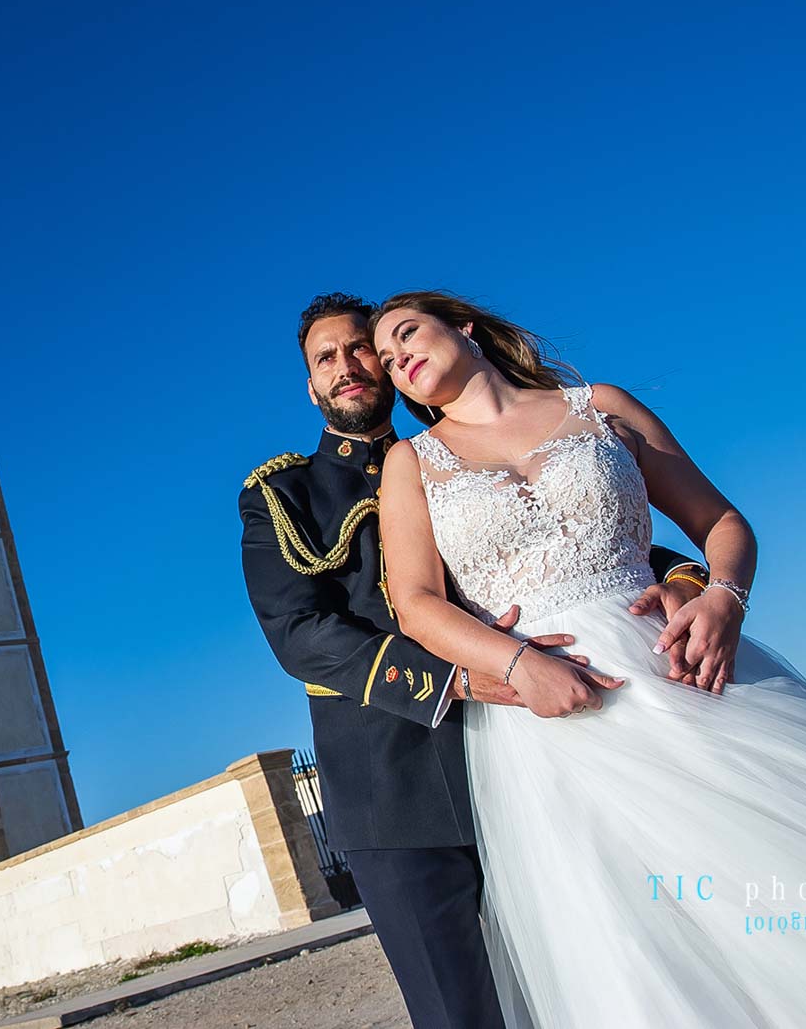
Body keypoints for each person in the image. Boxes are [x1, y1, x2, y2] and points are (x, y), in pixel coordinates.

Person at [371, 289, 806, 1027]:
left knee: (798, 874)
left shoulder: (599, 405)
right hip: (557, 718)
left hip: (680, 665)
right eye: (388, 361)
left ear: (463, 326)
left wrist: (723, 600)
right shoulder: (411, 462)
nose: (399, 359)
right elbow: (418, 604)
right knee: (643, 936)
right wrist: (518, 666)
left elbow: (720, 521)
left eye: (407, 334)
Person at [238, 293, 708, 1029]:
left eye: (365, 348)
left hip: (540, 759)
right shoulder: (285, 495)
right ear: (310, 385)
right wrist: (455, 678)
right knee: (462, 1014)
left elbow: (585, 538)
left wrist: (681, 581)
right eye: (325, 359)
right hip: (397, 791)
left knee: (606, 985)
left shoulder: (454, 453)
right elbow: (300, 634)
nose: (350, 366)